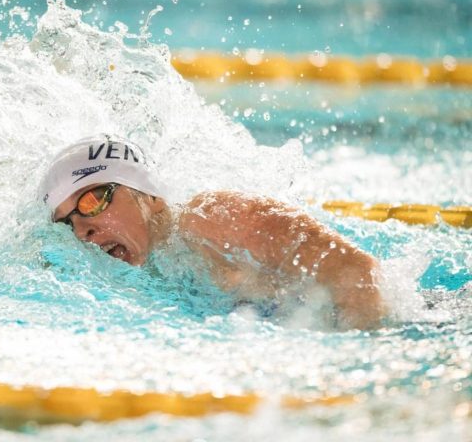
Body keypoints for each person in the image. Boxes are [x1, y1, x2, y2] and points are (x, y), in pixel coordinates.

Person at [39, 135, 385, 330]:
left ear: (149, 196)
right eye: (68, 222)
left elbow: (355, 272)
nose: (84, 230)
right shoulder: (134, 277)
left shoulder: (213, 218)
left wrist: (353, 364)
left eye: (92, 201)